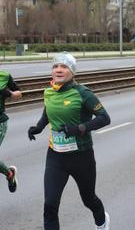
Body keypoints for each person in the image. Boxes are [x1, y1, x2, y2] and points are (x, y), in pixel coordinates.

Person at [27, 52, 111, 230]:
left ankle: (102, 222)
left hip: (81, 156)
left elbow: (104, 118)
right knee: (50, 205)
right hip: (56, 156)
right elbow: (48, 110)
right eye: (55, 66)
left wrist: (80, 128)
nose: (58, 70)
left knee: (89, 199)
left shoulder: (83, 93)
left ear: (72, 72)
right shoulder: (49, 91)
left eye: (64, 67)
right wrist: (39, 127)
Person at [0, 71, 22, 193]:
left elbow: (19, 94)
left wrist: (9, 93)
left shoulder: (4, 76)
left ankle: (9, 173)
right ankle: (9, 172)